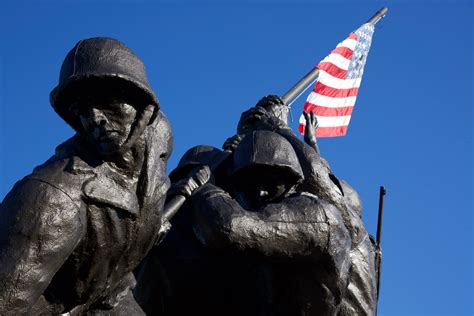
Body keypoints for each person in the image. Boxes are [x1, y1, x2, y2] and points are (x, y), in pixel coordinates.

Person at [0, 37, 205, 315]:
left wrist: (147, 225)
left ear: (143, 106)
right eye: (81, 110)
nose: (94, 119)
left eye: (106, 101)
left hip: (112, 295)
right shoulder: (53, 197)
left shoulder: (158, 136)